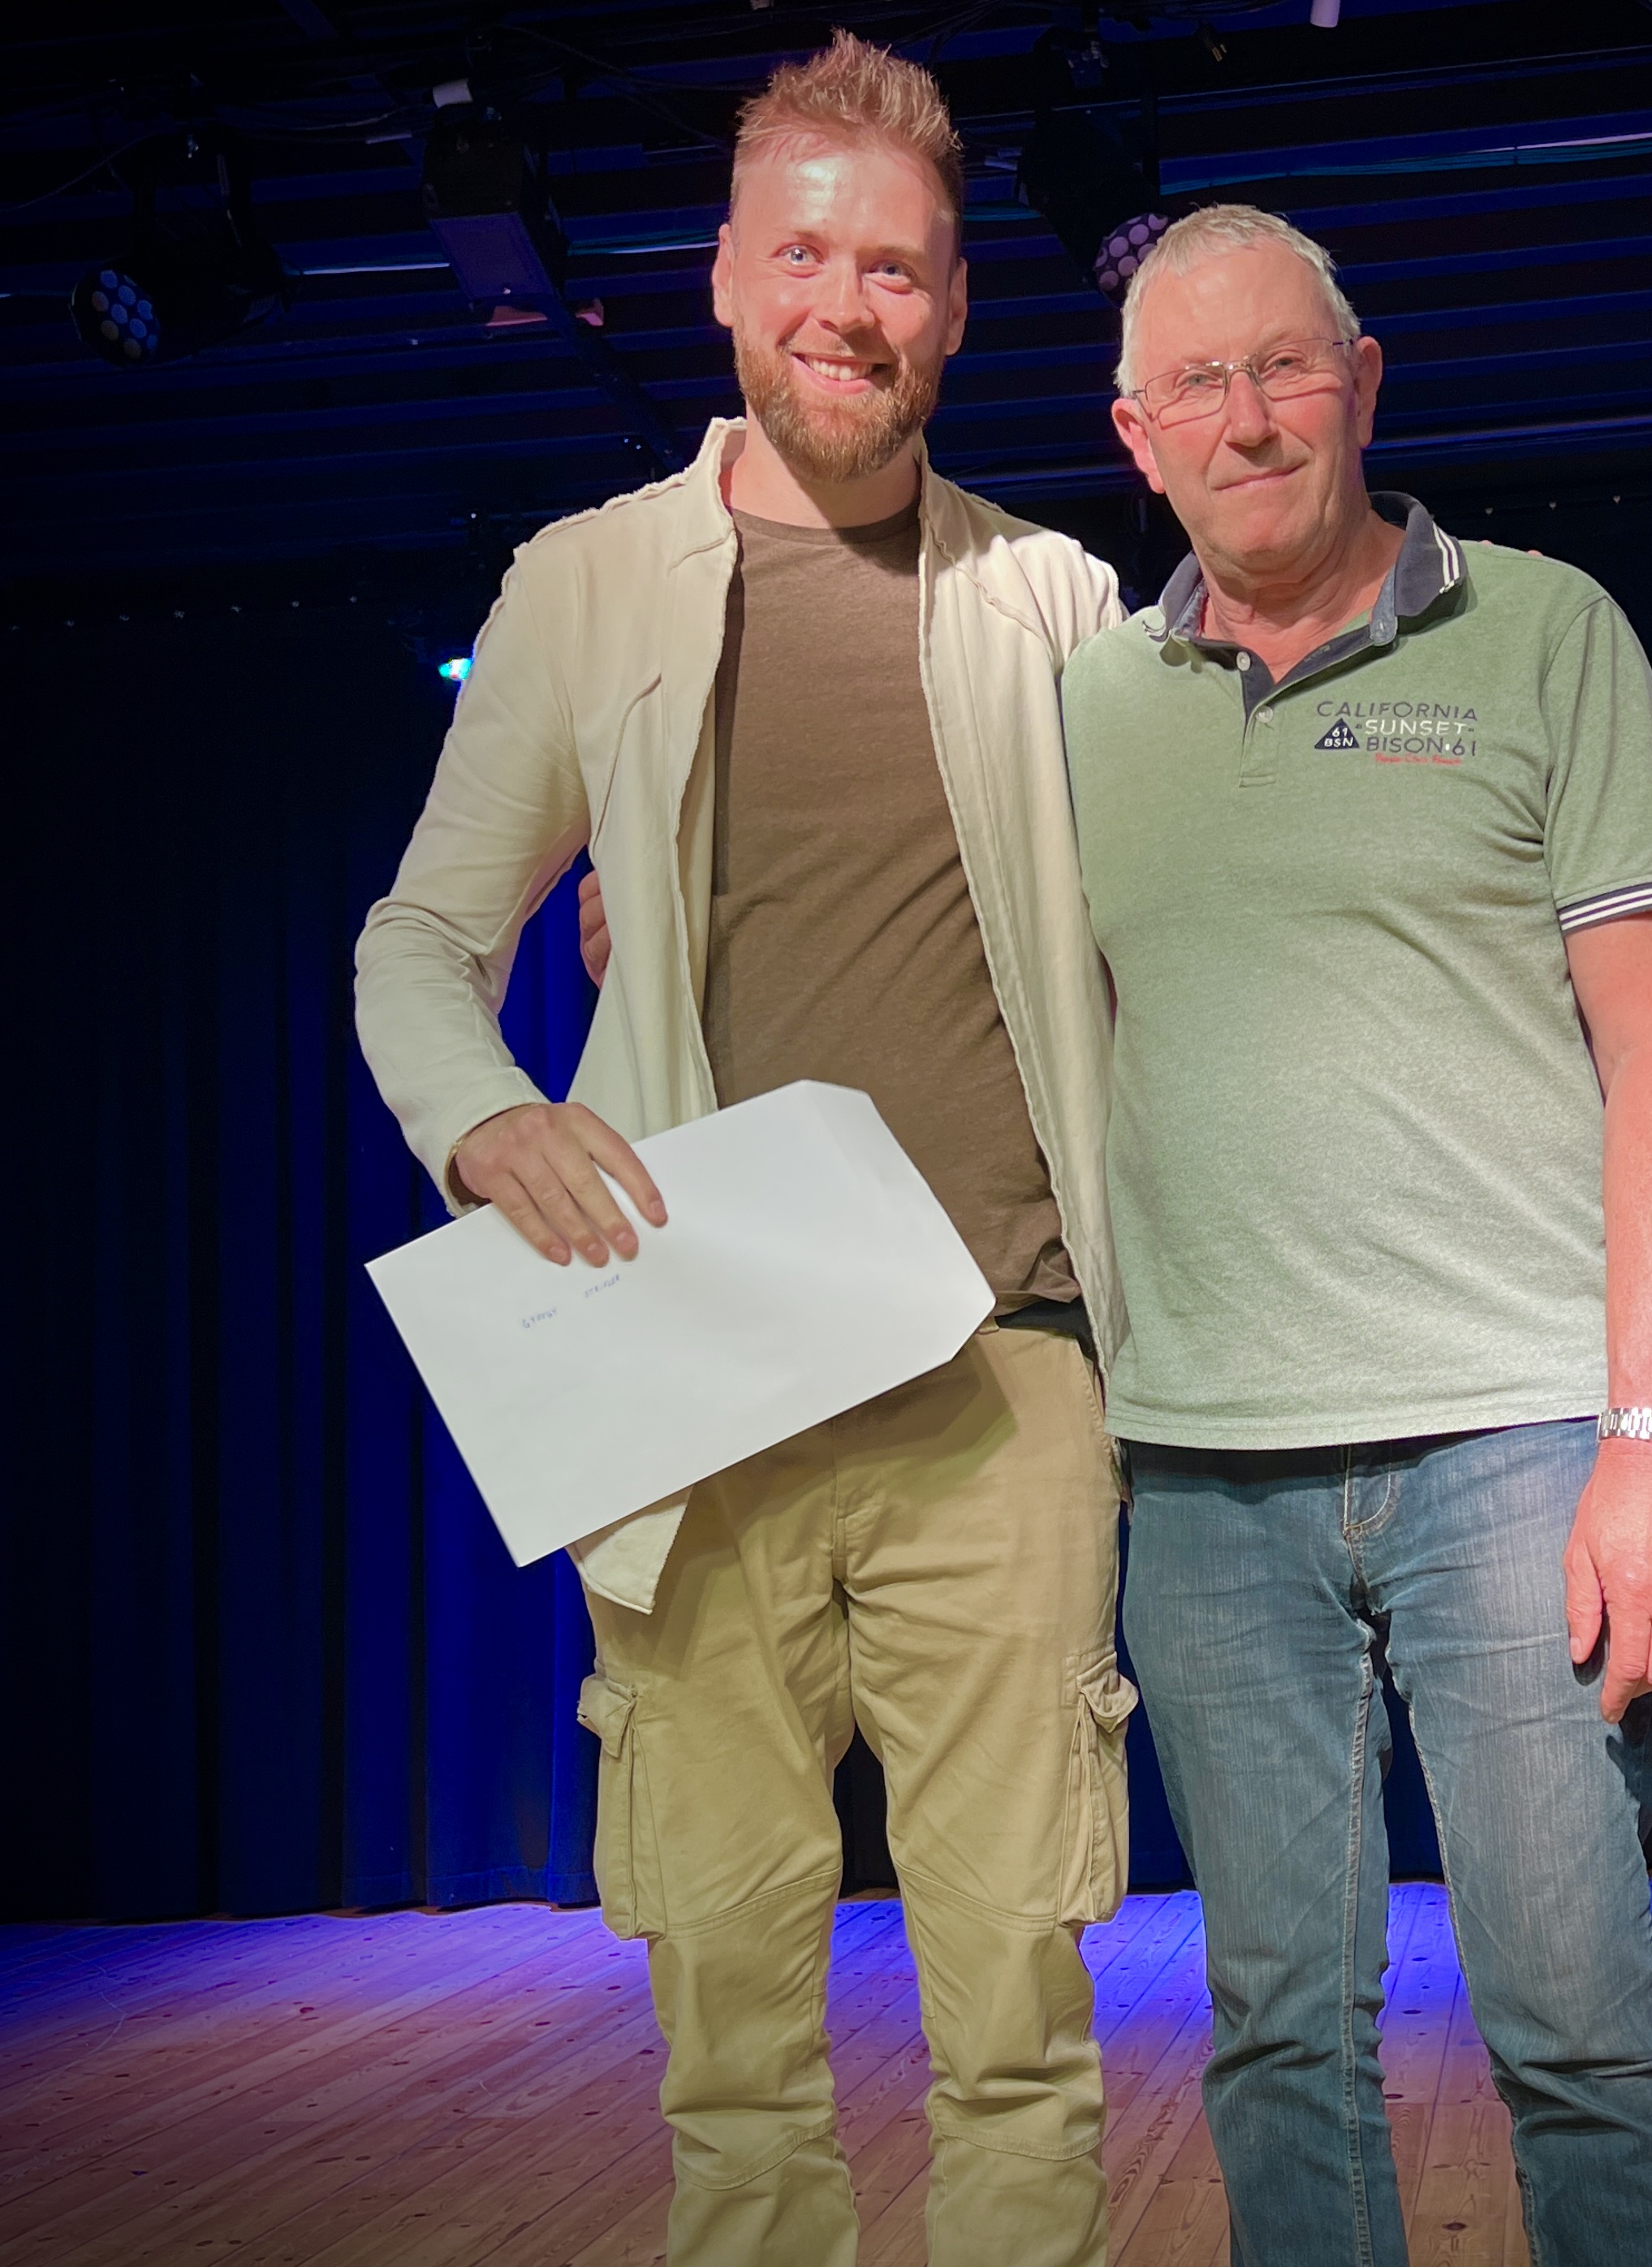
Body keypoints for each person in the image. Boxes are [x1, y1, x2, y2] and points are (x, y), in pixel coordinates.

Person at [354, 35, 1135, 2267]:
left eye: (893, 266)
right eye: (802, 255)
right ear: (720, 276)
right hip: (694, 1404)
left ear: (955, 304)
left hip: (1004, 1390)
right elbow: (420, 940)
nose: (845, 305)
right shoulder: (588, 582)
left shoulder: (1060, 604)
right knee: (733, 2064)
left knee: (1020, 2033)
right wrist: (484, 1114)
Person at [1060, 205, 1652, 2266]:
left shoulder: (1544, 630)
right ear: (1135, 434)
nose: (1249, 418)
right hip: (1200, 1475)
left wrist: (1651, 1444)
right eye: (1197, 383)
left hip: (1516, 1449)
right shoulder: (1078, 705)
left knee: (1578, 2032)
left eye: (1286, 365)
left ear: (1361, 382)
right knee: (1278, 2041)